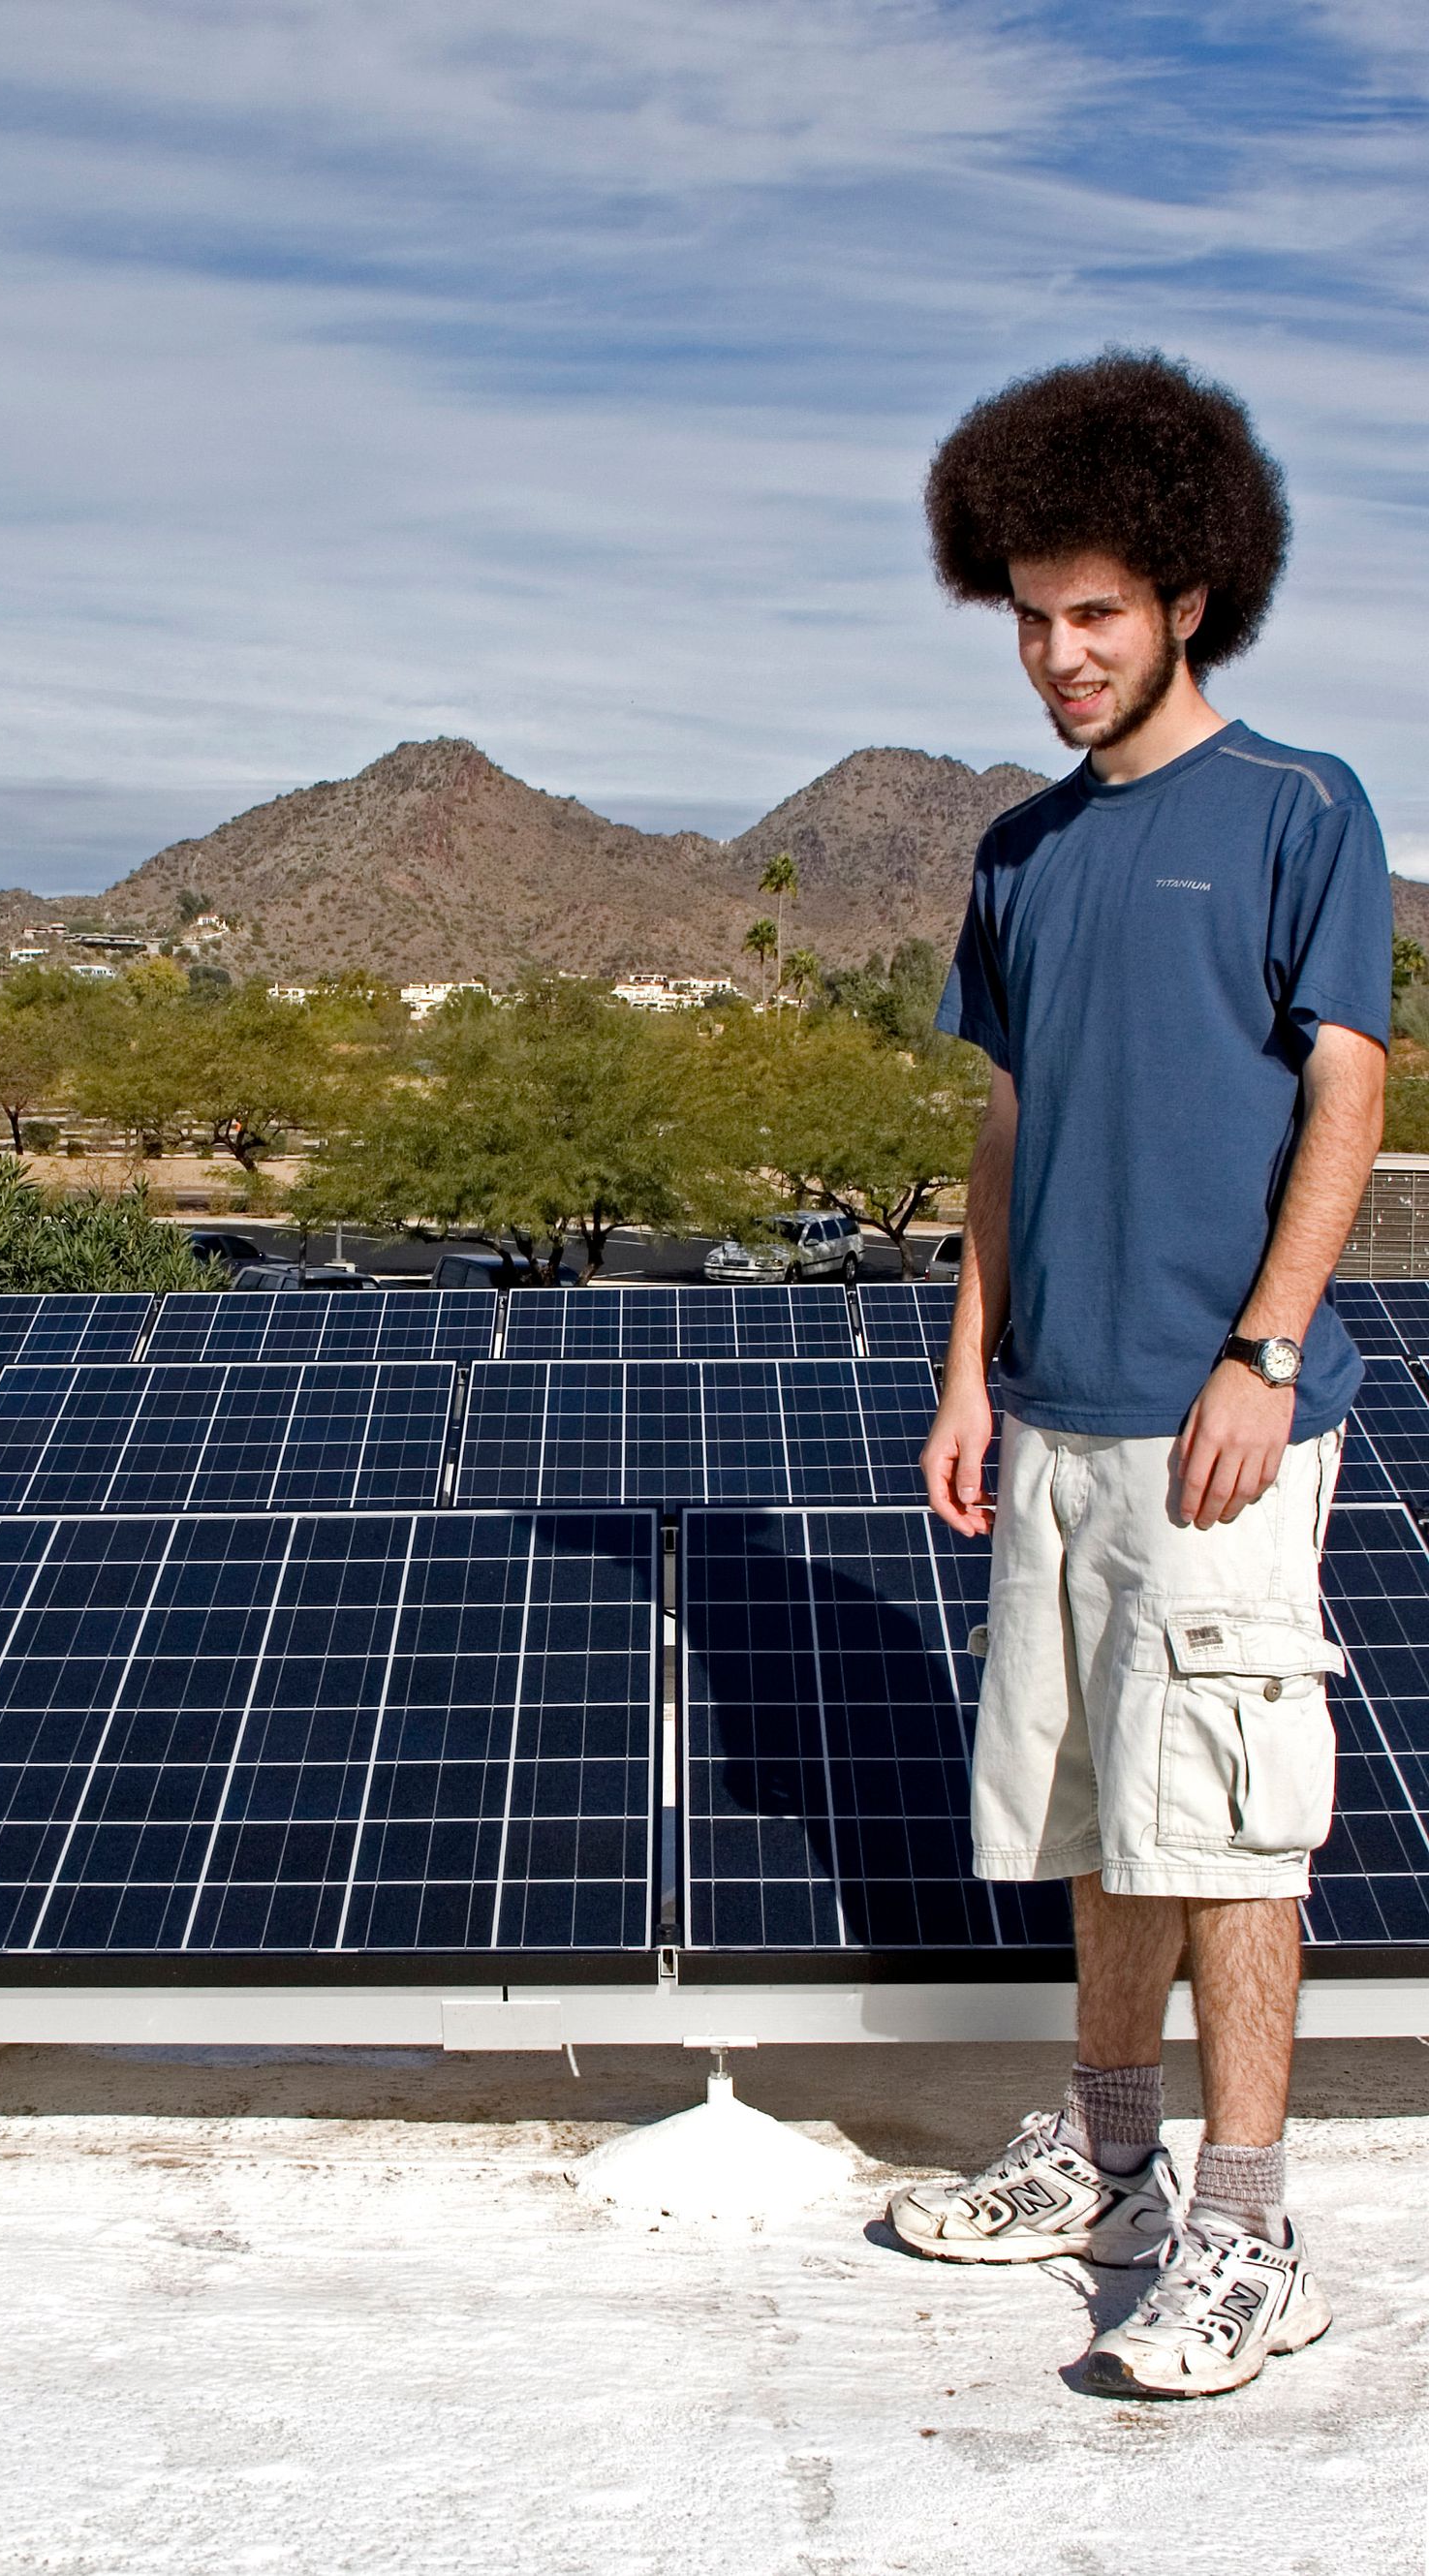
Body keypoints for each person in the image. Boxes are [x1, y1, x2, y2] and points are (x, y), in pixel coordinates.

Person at [885, 351, 1391, 2399]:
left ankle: (1250, 2231)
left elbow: (1348, 1090)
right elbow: (1008, 1125)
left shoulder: (1298, 808)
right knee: (1107, 1809)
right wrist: (969, 1372)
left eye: (1094, 612)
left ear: (1189, 595)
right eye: (1029, 617)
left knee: (1231, 1835)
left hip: (1220, 1424)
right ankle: (1109, 2162)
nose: (1058, 654)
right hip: (1059, 1413)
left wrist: (1262, 1352)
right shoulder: (1017, 852)